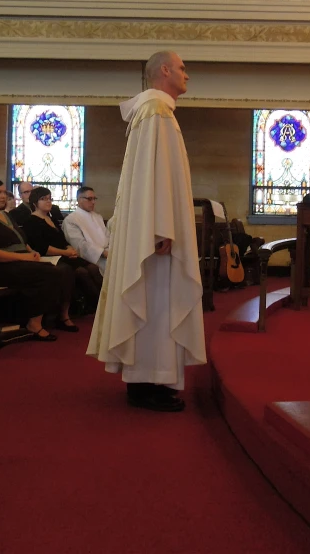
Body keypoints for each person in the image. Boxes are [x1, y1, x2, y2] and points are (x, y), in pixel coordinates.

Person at [87, 51, 206, 412]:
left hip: (155, 229)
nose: (188, 75)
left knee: (159, 306)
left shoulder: (158, 112)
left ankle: (155, 378)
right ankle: (144, 384)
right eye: (183, 68)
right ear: (165, 71)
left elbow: (156, 178)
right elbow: (154, 181)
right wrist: (160, 229)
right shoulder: (155, 113)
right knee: (153, 303)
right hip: (155, 234)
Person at [0, 177, 64, 341]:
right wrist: (23, 257)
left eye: (4, 192)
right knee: (48, 273)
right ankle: (33, 322)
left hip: (16, 263)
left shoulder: (5, 216)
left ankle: (29, 318)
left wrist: (32, 252)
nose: (3, 196)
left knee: (54, 270)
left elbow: (21, 240)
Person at [24, 186, 104, 324]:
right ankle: (65, 314)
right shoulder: (31, 221)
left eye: (49, 199)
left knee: (93, 267)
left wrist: (70, 249)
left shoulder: (51, 219)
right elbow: (42, 247)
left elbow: (62, 240)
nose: (48, 202)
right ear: (34, 202)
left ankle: (103, 304)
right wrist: (65, 252)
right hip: (49, 257)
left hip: (63, 254)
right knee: (80, 272)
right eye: (43, 199)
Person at [63, 187, 110, 275]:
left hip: (107, 254)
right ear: (79, 200)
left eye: (94, 199)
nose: (93, 202)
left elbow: (108, 236)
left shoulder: (98, 217)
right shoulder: (71, 220)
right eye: (89, 199)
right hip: (93, 258)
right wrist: (102, 253)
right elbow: (79, 245)